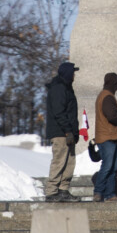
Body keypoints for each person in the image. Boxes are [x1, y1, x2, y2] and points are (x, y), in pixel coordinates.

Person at [45, 62, 80, 202]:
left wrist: (73, 132)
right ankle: (52, 191)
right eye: (73, 73)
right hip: (61, 133)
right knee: (59, 161)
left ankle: (63, 190)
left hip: (68, 132)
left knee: (69, 163)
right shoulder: (58, 88)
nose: (74, 75)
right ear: (67, 73)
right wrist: (67, 131)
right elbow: (59, 112)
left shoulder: (67, 87)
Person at [93, 72, 117, 202]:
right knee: (108, 166)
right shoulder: (107, 97)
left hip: (111, 136)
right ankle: (98, 191)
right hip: (108, 137)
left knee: (113, 168)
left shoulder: (105, 95)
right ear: (114, 84)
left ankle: (110, 194)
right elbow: (112, 116)